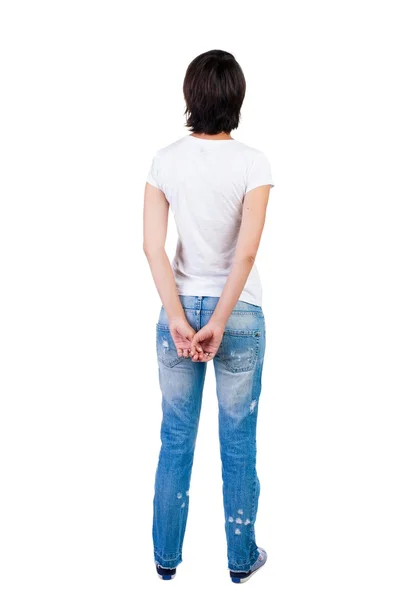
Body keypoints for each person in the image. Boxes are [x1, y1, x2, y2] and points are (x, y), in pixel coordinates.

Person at [143, 49, 275, 583]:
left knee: (175, 437)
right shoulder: (254, 162)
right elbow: (244, 254)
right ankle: (240, 562)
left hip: (178, 306)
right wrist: (218, 321)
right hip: (238, 311)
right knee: (238, 440)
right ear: (237, 98)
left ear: (189, 97)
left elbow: (153, 248)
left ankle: (165, 559)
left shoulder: (165, 159)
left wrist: (178, 316)